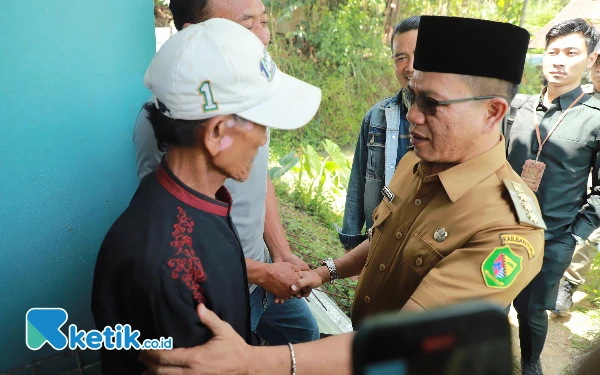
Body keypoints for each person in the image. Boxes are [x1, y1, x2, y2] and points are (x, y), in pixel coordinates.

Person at [139, 16, 546, 375]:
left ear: (492, 112)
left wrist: (250, 363)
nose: (411, 115)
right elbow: (387, 238)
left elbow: (406, 344)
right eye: (411, 95)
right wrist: (324, 272)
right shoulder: (419, 162)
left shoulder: (507, 229)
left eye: (432, 104)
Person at [91, 18, 321, 374]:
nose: (263, 140)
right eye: (260, 123)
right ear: (216, 133)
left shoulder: (198, 202)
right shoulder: (167, 266)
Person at [506, 18, 600, 375]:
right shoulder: (518, 106)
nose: (559, 60)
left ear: (590, 60)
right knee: (491, 296)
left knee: (531, 309)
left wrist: (576, 232)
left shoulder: (595, 117)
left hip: (553, 238)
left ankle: (531, 363)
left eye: (571, 53)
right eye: (553, 52)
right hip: (499, 229)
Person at [338, 16, 419, 252]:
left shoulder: (454, 121)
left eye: (419, 55)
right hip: (379, 243)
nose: (410, 66)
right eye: (401, 58)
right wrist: (352, 243)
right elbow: (358, 182)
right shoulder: (377, 117)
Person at [555, 56, 600, 315]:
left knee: (592, 233)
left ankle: (569, 284)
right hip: (574, 181)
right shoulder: (578, 96)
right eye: (598, 64)